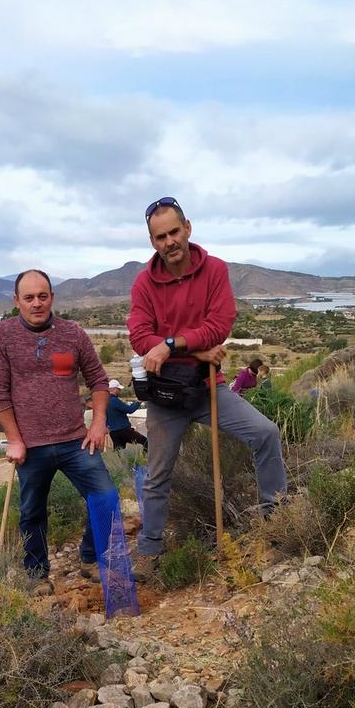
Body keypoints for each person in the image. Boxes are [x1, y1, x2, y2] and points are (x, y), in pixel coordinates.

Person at [127, 197, 287, 578]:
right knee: (157, 475)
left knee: (266, 434)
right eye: (160, 236)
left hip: (207, 389)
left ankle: (278, 524)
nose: (169, 241)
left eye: (174, 232)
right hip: (166, 395)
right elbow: (139, 336)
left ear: (188, 228)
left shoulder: (214, 270)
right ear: (153, 242)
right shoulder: (144, 283)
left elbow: (221, 324)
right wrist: (197, 352)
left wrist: (171, 345)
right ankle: (149, 552)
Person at [0, 269, 114, 589]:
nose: (36, 303)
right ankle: (36, 575)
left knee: (105, 498)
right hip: (31, 445)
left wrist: (98, 423)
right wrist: (14, 440)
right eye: (29, 298)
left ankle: (91, 558)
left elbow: (98, 380)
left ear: (52, 298)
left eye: (42, 296)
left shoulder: (73, 333)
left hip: (75, 439)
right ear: (17, 301)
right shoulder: (2, 336)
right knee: (32, 513)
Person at [106, 380, 148, 451]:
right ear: (113, 389)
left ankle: (116, 462)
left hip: (113, 432)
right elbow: (130, 410)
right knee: (146, 442)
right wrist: (138, 402)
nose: (119, 391)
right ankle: (145, 459)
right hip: (124, 431)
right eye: (118, 389)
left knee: (118, 452)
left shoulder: (104, 401)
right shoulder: (114, 400)